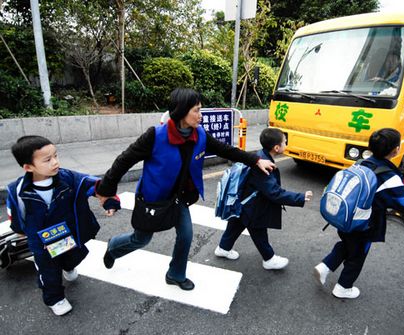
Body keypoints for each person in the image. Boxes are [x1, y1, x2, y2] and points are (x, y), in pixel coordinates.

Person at [95, 88, 275, 291]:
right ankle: (113, 247)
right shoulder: (155, 136)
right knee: (141, 239)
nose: (200, 115)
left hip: (179, 197)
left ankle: (175, 274)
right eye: (196, 111)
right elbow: (123, 161)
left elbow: (226, 150)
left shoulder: (199, 134)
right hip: (154, 198)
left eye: (201, 110)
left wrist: (256, 160)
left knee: (186, 234)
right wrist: (106, 189)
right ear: (181, 111)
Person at [313, 128, 404, 299]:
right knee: (357, 255)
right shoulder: (388, 176)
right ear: (396, 149)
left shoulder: (361, 162)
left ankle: (325, 266)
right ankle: (343, 287)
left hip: (346, 217)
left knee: (347, 243)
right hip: (365, 224)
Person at [6, 136, 120, 316]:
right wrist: (20, 230)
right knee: (49, 271)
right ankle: (55, 299)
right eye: (47, 159)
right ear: (28, 167)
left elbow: (97, 186)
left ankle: (67, 266)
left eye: (56, 156)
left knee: (74, 257)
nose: (55, 162)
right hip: (42, 241)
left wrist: (110, 202)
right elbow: (15, 214)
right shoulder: (16, 191)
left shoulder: (69, 178)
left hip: (67, 234)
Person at [214, 128, 313, 270]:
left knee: (236, 224)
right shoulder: (264, 165)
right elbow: (275, 193)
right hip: (252, 206)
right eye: (285, 142)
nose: (286, 144)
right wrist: (301, 197)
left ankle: (223, 248)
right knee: (258, 231)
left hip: (243, 201)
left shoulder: (261, 156)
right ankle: (269, 258)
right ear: (277, 148)